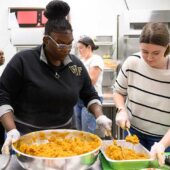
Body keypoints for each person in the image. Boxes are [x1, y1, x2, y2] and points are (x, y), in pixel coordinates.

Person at [0, 0, 112, 154]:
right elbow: (2, 96)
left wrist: (99, 116)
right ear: (46, 40)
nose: (66, 49)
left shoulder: (75, 66)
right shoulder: (23, 61)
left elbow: (89, 94)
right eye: (60, 44)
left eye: (69, 44)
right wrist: (12, 130)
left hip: (64, 140)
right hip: (25, 139)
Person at [113, 22, 170, 152]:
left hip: (165, 138)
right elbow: (118, 91)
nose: (149, 58)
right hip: (133, 132)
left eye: (156, 53)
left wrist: (162, 145)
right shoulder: (132, 62)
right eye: (144, 51)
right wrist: (121, 110)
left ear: (167, 47)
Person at [74, 36, 104, 134]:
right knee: (78, 131)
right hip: (78, 99)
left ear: (89, 47)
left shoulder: (96, 59)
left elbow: (91, 81)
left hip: (91, 99)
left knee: (87, 131)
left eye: (81, 47)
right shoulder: (81, 61)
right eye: (78, 48)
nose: (79, 50)